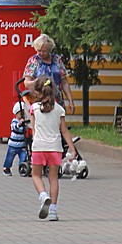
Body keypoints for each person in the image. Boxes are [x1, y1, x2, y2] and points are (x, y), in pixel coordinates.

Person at [28, 76, 73, 221]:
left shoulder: (34, 108)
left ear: (38, 93)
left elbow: (33, 128)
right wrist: (72, 149)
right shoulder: (59, 110)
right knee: (53, 178)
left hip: (39, 147)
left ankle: (43, 196)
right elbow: (64, 130)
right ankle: (53, 210)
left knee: (36, 175)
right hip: (55, 148)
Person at [22, 34, 75, 114]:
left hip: (56, 100)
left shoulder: (57, 60)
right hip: (40, 102)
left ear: (50, 50)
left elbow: (64, 82)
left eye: (44, 51)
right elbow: (26, 83)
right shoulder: (33, 61)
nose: (41, 53)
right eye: (39, 50)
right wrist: (37, 82)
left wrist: (70, 100)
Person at [3, 90, 33, 176]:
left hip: (22, 144)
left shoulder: (25, 121)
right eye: (21, 113)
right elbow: (14, 127)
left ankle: (23, 167)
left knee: (23, 157)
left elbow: (27, 128)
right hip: (13, 144)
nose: (23, 115)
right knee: (10, 157)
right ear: (16, 113)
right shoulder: (15, 121)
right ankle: (6, 168)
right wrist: (20, 124)